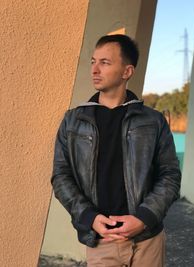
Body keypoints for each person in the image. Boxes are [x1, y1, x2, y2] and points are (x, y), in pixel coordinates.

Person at [51, 34, 181, 267]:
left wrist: (144, 218)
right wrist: (89, 218)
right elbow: (61, 177)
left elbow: (170, 175)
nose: (95, 69)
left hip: (148, 239)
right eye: (93, 61)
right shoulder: (73, 121)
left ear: (127, 72)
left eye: (105, 62)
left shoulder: (153, 121)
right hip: (102, 240)